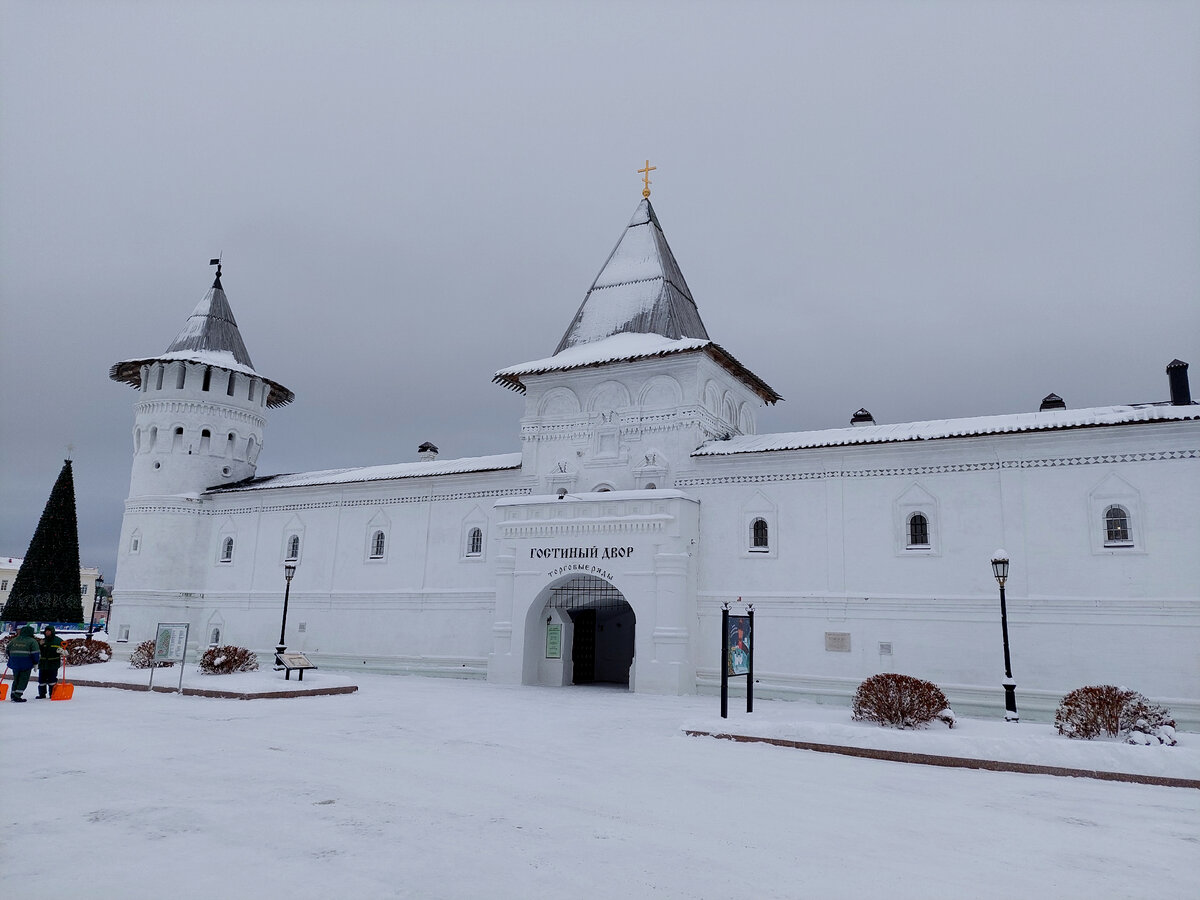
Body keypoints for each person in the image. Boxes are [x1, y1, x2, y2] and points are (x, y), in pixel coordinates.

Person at [5, 624, 41, 702]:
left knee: (16, 679)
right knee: (23, 680)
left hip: (14, 663)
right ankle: (17, 696)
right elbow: (35, 653)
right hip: (26, 663)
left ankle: (13, 694)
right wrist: (35, 663)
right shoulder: (32, 641)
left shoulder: (14, 640)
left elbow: (7, 650)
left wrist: (13, 657)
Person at [37, 625, 65, 699]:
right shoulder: (43, 641)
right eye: (46, 631)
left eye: (49, 631)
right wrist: (40, 645)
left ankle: (52, 694)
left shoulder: (58, 641)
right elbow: (37, 650)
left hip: (53, 663)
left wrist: (63, 651)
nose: (47, 632)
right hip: (43, 663)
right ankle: (42, 694)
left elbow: (65, 650)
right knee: (41, 680)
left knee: (52, 680)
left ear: (52, 632)